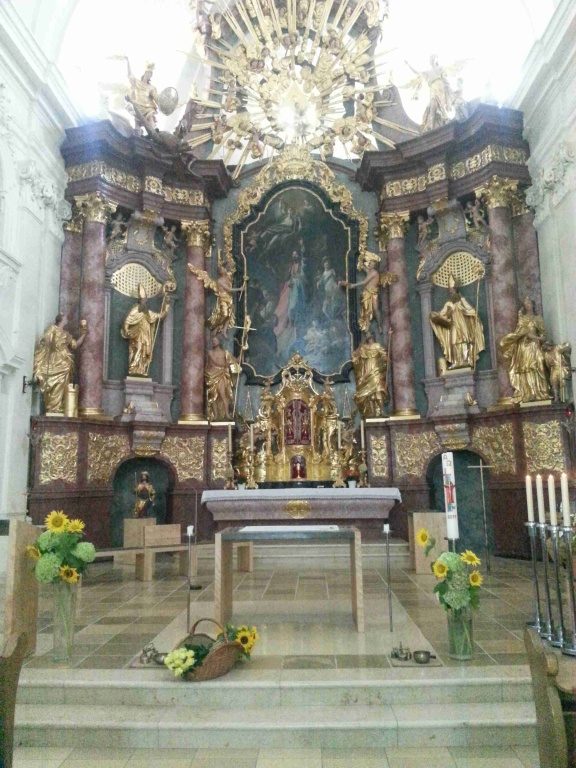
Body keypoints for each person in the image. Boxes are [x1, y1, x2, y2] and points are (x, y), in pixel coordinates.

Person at [33, 314, 88, 414]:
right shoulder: (52, 329)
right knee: (53, 382)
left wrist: (84, 334)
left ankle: (60, 407)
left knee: (63, 384)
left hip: (65, 363)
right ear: (61, 320)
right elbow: (45, 342)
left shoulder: (66, 334)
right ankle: (52, 408)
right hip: (55, 360)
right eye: (65, 318)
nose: (67, 319)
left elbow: (75, 345)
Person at [500, 297, 551, 402]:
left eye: (529, 303)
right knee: (526, 369)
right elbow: (518, 333)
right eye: (525, 303)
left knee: (539, 365)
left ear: (533, 304)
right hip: (523, 348)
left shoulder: (538, 319)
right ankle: (528, 393)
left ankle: (540, 391)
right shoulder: (522, 319)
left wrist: (538, 338)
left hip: (534, 346)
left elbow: (544, 335)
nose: (527, 305)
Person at [429, 277, 485, 370]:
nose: (451, 291)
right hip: (454, 325)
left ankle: (466, 360)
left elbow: (471, 310)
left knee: (464, 340)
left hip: (463, 325)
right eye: (450, 290)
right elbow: (442, 314)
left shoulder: (462, 300)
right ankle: (456, 361)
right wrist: (435, 316)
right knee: (454, 341)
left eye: (453, 289)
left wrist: (471, 313)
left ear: (456, 289)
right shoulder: (448, 304)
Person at [121, 284, 170, 377]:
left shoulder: (148, 313)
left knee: (144, 352)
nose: (144, 302)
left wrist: (166, 304)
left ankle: (141, 369)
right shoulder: (135, 310)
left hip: (146, 336)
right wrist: (126, 329)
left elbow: (161, 316)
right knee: (138, 349)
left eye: (145, 300)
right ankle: (133, 367)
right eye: (143, 300)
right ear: (140, 301)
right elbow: (127, 320)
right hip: (137, 335)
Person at [339, 251, 383, 334]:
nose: (370, 264)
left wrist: (353, 285)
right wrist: (360, 260)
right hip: (366, 293)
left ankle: (380, 326)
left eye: (372, 263)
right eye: (370, 263)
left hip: (373, 293)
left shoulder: (374, 272)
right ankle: (367, 328)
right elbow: (363, 267)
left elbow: (364, 282)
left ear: (375, 264)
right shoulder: (370, 271)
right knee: (366, 311)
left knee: (376, 309)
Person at [205, 336, 242, 421]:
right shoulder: (210, 353)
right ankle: (215, 415)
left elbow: (236, 361)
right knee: (213, 396)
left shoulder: (225, 353)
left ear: (219, 342)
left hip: (222, 375)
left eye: (216, 340)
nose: (214, 342)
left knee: (223, 394)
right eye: (213, 341)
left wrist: (242, 350)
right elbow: (208, 364)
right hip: (212, 375)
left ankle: (227, 414)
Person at [352, 334, 389, 417]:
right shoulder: (363, 347)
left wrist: (385, 358)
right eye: (367, 336)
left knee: (378, 390)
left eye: (370, 336)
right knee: (369, 394)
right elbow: (355, 357)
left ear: (372, 337)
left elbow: (383, 354)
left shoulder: (377, 346)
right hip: (366, 371)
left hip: (375, 370)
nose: (368, 338)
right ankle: (371, 413)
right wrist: (358, 350)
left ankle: (381, 410)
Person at [124, 59, 158, 134]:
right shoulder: (136, 82)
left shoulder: (151, 87)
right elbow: (130, 75)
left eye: (150, 74)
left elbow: (157, 99)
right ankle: (137, 134)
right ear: (144, 73)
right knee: (137, 122)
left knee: (150, 116)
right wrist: (128, 62)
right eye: (148, 73)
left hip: (148, 107)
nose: (149, 75)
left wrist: (166, 103)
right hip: (137, 106)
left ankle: (154, 133)